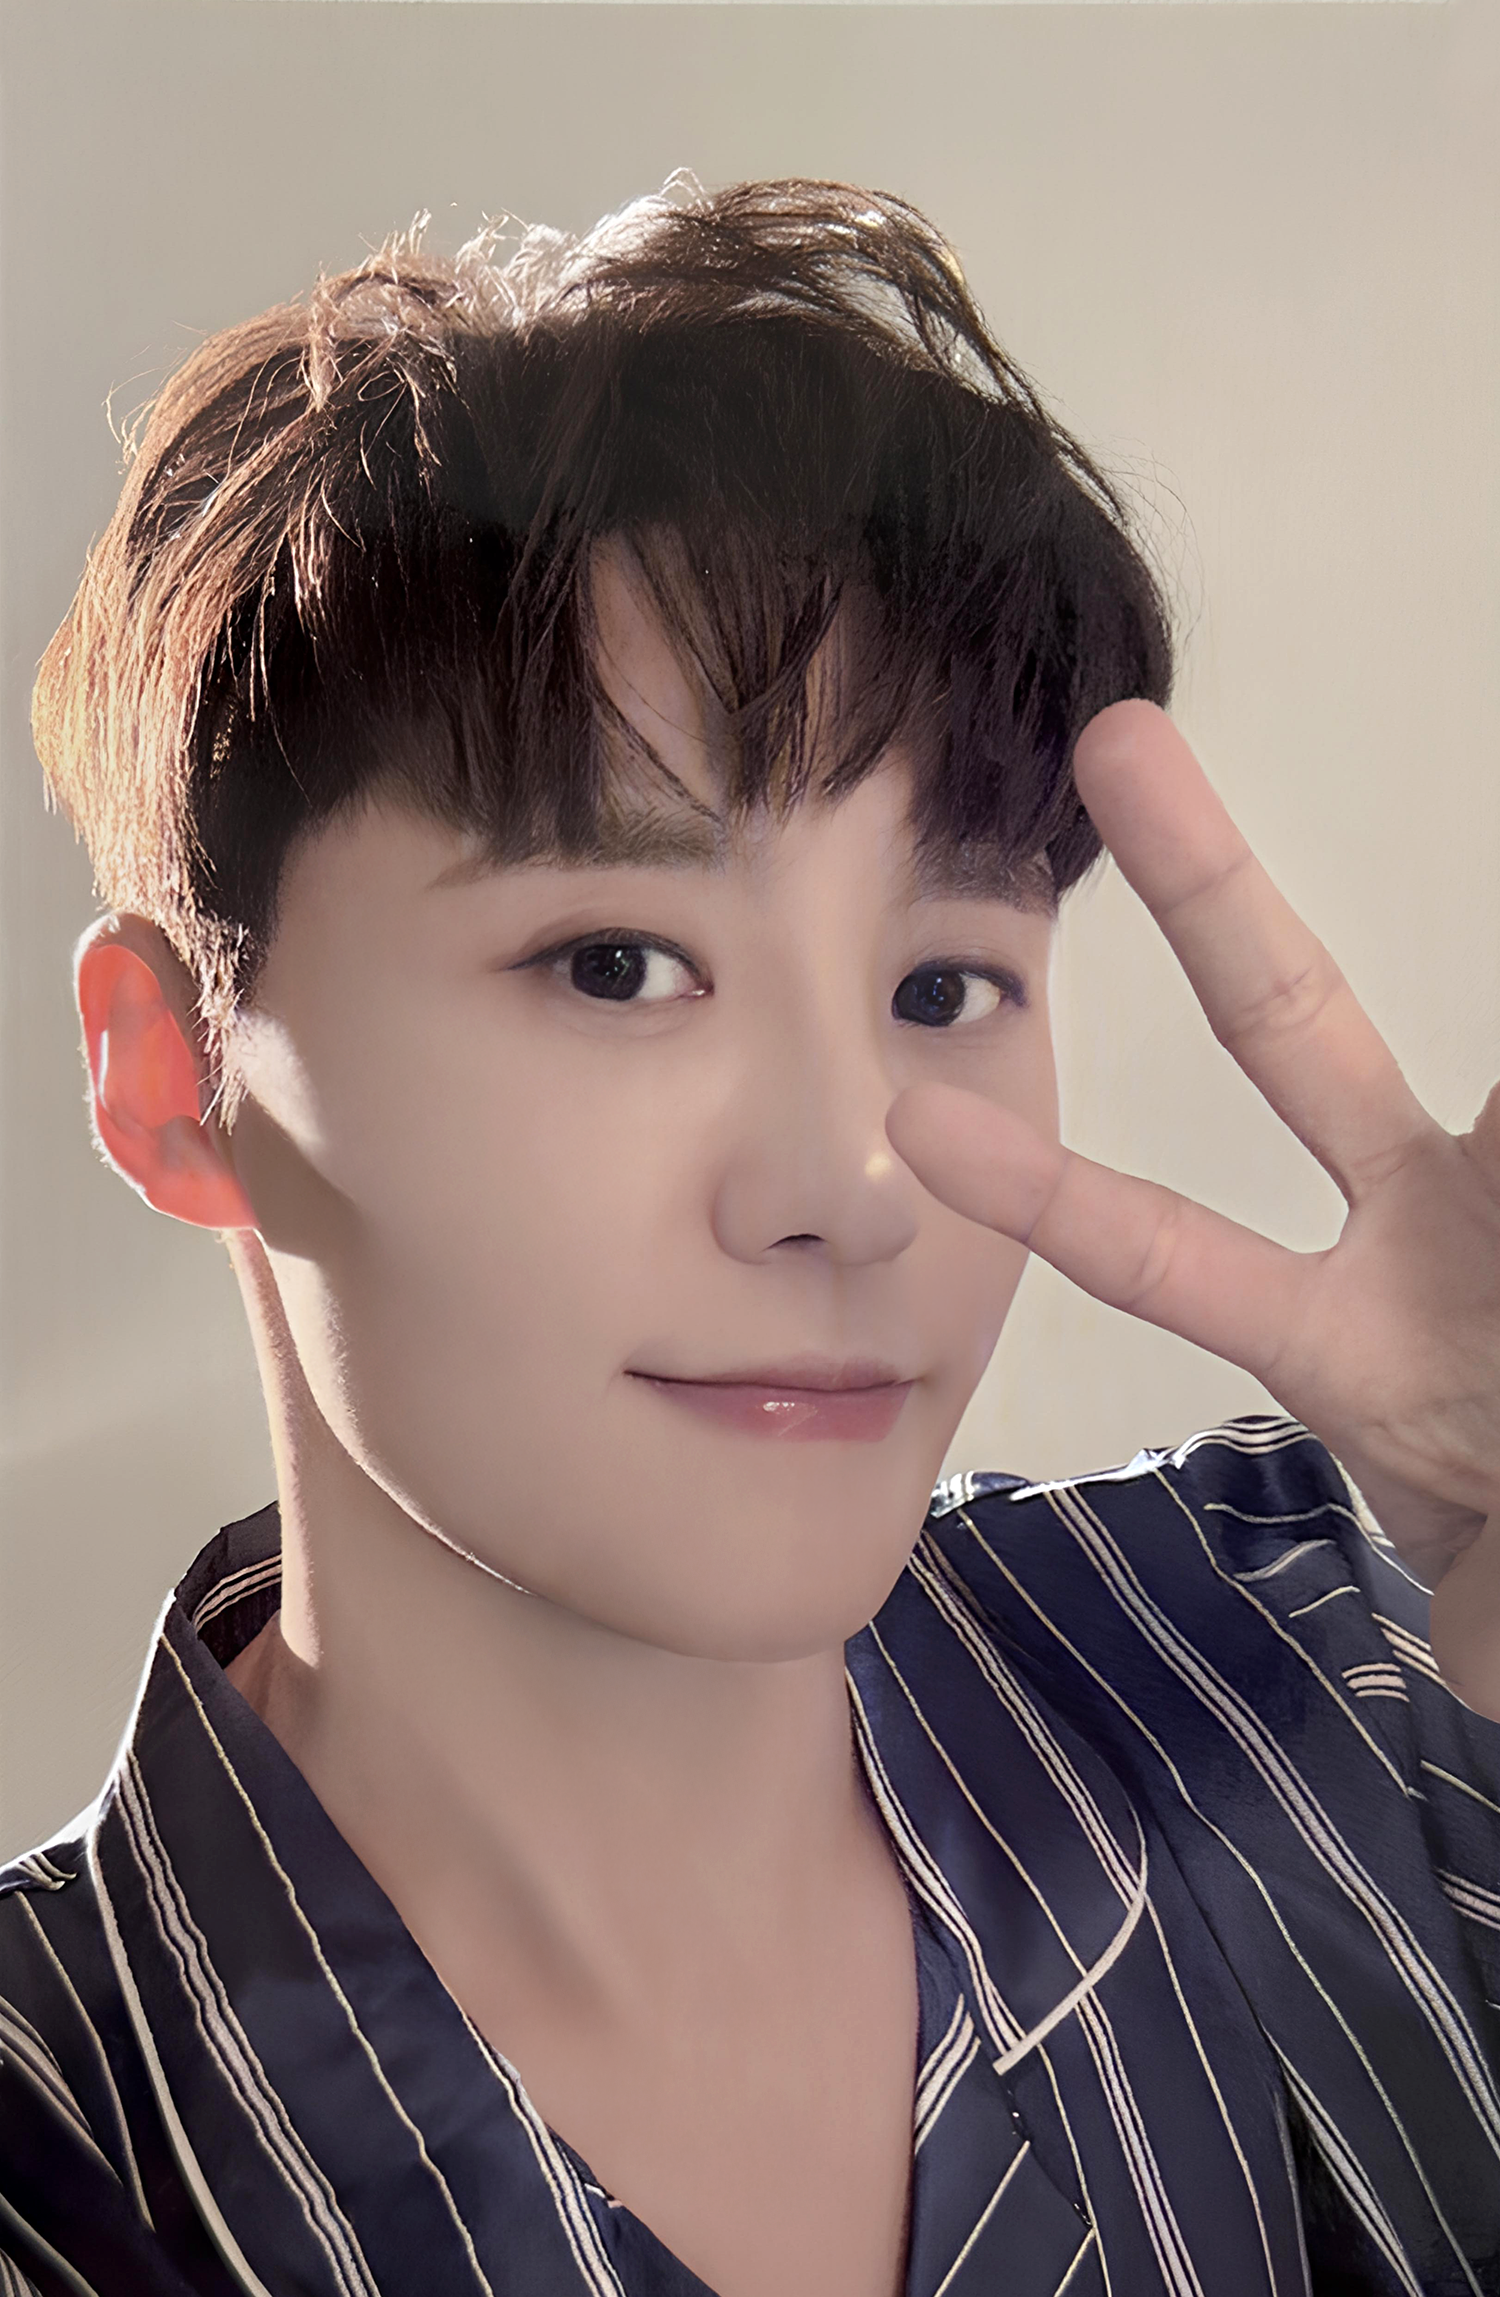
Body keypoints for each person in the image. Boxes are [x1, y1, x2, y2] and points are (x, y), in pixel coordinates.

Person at [1, 176, 1497, 2297]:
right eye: (616, 963)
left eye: (944, 984)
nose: (852, 1182)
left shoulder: (1357, 1655)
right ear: (176, 1074)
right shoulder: (61, 2155)